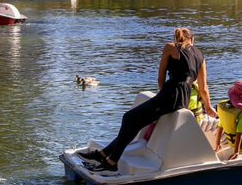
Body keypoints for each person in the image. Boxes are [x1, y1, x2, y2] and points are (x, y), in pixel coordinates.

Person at [81, 27, 216, 172]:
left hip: (170, 95)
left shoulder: (170, 47)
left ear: (176, 38)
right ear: (192, 40)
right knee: (135, 122)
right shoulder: (200, 56)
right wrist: (208, 107)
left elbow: (160, 77)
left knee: (129, 118)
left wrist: (161, 95)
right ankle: (104, 154)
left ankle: (112, 162)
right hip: (183, 98)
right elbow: (203, 88)